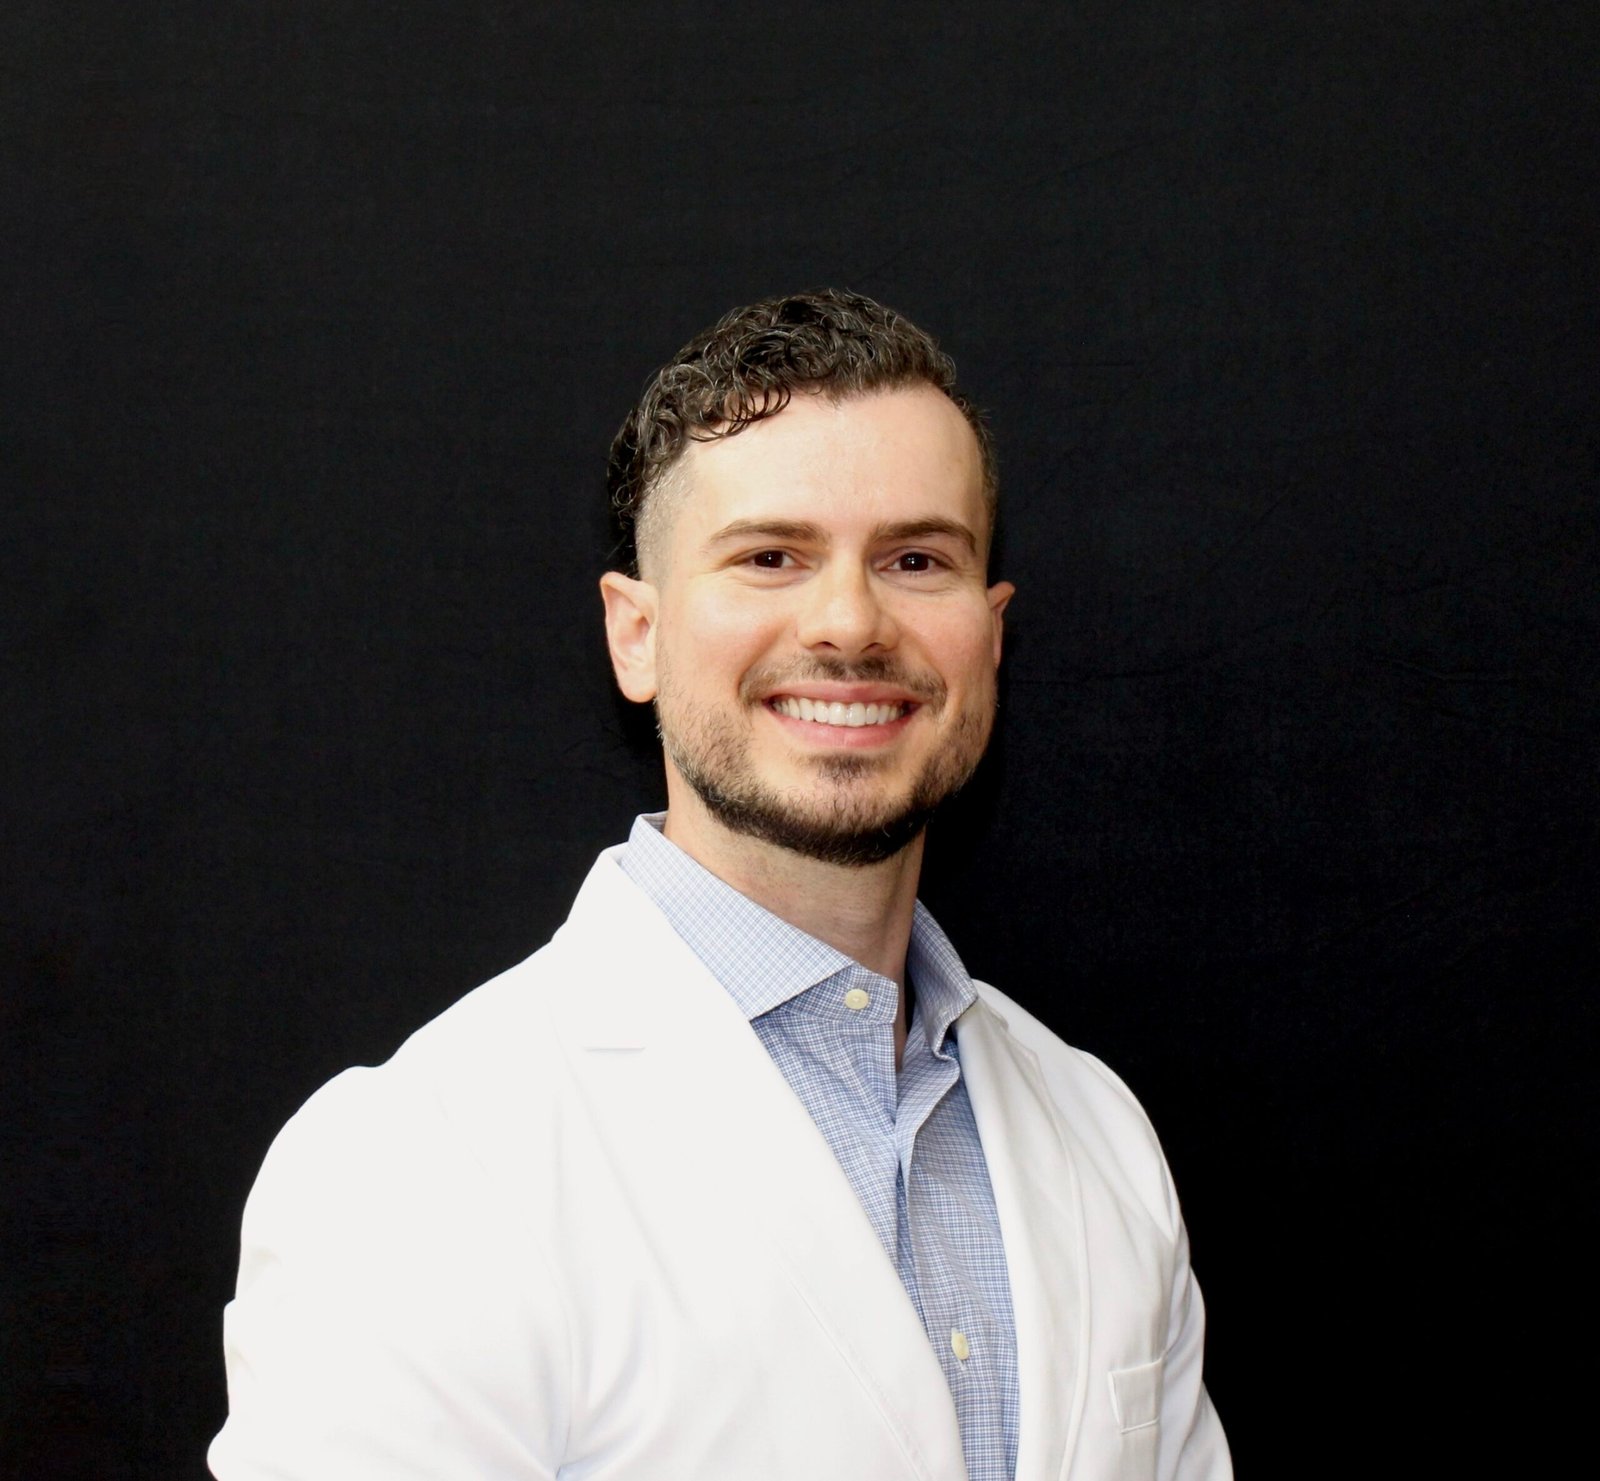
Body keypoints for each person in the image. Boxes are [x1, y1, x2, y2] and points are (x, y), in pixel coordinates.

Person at [209, 289, 1231, 1481]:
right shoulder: (413, 1168)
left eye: (915, 559)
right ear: (634, 634)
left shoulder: (1094, 1129)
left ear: (991, 632)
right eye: (769, 557)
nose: (848, 623)